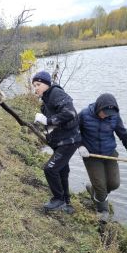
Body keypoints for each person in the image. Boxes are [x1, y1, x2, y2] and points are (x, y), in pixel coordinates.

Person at [77, 93, 127, 220]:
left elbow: (124, 135)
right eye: (104, 112)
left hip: (110, 154)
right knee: (101, 187)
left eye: (108, 114)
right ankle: (102, 211)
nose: (105, 115)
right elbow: (74, 130)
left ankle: (93, 190)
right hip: (91, 155)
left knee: (114, 183)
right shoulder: (84, 115)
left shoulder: (114, 117)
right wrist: (80, 146)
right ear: (98, 107)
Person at [32, 71, 81, 214]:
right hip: (60, 141)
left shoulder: (56, 93)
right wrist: (47, 127)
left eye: (38, 84)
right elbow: (58, 120)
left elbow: (70, 113)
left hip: (69, 141)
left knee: (50, 169)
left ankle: (58, 199)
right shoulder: (45, 101)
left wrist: (47, 121)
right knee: (62, 170)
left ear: (47, 84)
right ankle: (67, 203)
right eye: (34, 85)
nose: (36, 88)